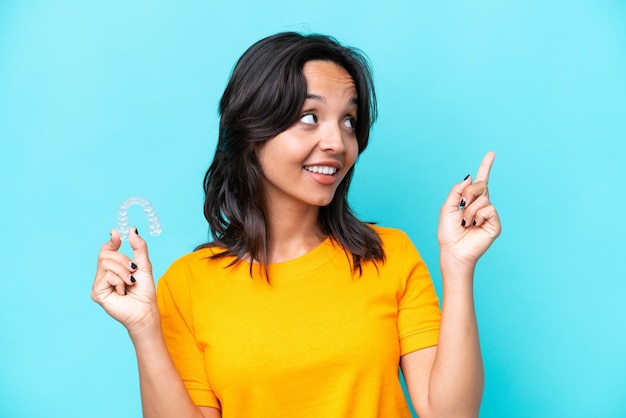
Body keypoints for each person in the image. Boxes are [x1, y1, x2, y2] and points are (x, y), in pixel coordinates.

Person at [92, 32, 501, 418]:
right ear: (253, 130)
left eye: (348, 121)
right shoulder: (187, 285)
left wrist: (458, 267)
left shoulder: (388, 255)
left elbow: (450, 413)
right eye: (310, 116)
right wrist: (145, 330)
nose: (338, 143)